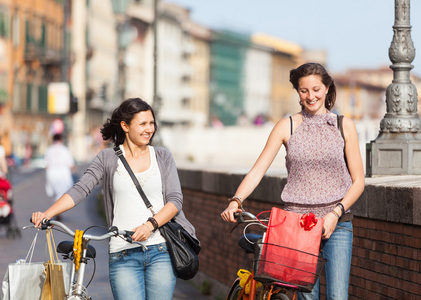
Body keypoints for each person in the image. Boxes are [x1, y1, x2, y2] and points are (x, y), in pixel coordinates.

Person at [221, 63, 365, 300]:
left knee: (338, 296)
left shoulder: (344, 125)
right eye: (304, 90)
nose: (311, 96)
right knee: (305, 298)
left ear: (327, 88)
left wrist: (335, 213)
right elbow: (257, 171)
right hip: (296, 227)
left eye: (316, 89)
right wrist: (236, 200)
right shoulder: (286, 126)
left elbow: (358, 181)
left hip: (337, 223)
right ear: (297, 92)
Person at [31, 98, 197, 300]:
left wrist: (149, 225)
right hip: (122, 253)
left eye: (152, 123)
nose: (149, 129)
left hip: (160, 251)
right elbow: (80, 189)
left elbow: (175, 200)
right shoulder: (107, 158)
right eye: (143, 124)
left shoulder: (162, 156)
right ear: (125, 126)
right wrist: (47, 214)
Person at [44, 133, 75, 221]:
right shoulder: (65, 150)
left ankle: (56, 212)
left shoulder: (49, 150)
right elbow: (71, 165)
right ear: (61, 140)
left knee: (54, 195)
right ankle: (58, 212)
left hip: (52, 174)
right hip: (63, 174)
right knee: (62, 194)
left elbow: (46, 165)